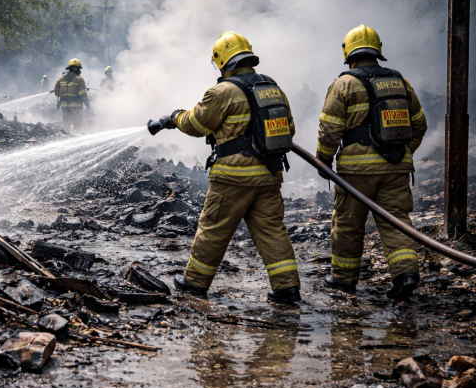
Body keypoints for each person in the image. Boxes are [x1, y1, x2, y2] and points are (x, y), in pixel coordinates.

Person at [148, 31, 302, 304]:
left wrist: (174, 117)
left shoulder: (222, 91)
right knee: (272, 230)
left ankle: (194, 283)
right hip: (269, 175)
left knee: (214, 229)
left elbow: (196, 124)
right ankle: (287, 288)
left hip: (233, 177)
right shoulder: (272, 87)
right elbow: (288, 127)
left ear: (222, 61)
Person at [316, 24, 428, 300]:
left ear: (348, 54)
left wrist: (324, 160)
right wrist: (402, 153)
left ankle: (343, 280)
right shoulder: (401, 82)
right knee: (397, 222)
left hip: (356, 172)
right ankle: (406, 274)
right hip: (396, 169)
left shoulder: (344, 84)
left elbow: (330, 130)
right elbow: (420, 125)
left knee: (348, 223)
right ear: (378, 51)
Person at [54, 58, 90, 134]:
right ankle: (77, 139)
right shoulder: (79, 79)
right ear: (75, 68)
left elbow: (56, 91)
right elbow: (83, 94)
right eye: (78, 68)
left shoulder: (61, 79)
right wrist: (88, 105)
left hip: (64, 106)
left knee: (66, 124)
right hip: (76, 106)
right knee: (77, 125)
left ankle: (65, 138)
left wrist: (63, 94)